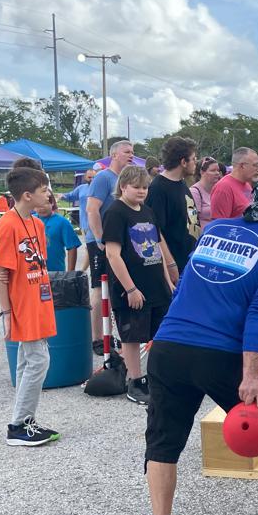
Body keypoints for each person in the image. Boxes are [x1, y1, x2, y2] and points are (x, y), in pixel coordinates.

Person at [129, 176, 258, 515]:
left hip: (171, 347)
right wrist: (252, 374)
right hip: (222, 353)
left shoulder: (216, 229)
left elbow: (189, 283)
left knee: (162, 440)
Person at [0, 165, 59, 447]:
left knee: (27, 361)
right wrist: (7, 313)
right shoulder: (7, 225)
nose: (49, 195)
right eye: (45, 191)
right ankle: (19, 424)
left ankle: (22, 420)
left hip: (39, 300)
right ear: (27, 195)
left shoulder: (37, 224)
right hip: (22, 305)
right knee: (39, 361)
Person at [102, 165, 176, 406]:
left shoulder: (147, 211)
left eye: (145, 187)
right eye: (136, 187)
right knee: (132, 337)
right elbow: (113, 254)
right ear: (123, 186)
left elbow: (156, 246)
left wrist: (167, 281)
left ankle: (156, 378)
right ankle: (136, 380)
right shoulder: (116, 212)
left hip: (156, 285)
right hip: (131, 287)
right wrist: (131, 288)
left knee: (160, 335)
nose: (142, 191)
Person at [86, 140, 134, 354]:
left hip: (118, 241)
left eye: (133, 152)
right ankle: (97, 338)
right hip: (101, 242)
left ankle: (112, 334)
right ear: (114, 155)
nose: (131, 155)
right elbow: (91, 210)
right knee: (99, 288)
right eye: (127, 152)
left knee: (114, 288)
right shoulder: (104, 177)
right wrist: (99, 239)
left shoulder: (123, 179)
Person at [147, 136, 198, 277]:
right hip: (174, 265)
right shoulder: (158, 189)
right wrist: (170, 264)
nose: (196, 163)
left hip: (188, 261)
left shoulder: (181, 183)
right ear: (183, 162)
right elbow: (155, 231)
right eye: (193, 159)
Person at [35, 188, 81, 272]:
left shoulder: (62, 222)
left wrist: (70, 273)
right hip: (34, 272)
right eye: (38, 206)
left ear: (52, 203)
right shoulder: (30, 220)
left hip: (56, 272)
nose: (41, 208)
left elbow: (72, 247)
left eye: (44, 204)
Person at [210, 146, 257, 220]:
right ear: (242, 166)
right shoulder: (223, 188)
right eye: (255, 165)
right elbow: (219, 226)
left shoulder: (247, 185)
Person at [59, 168, 95, 236]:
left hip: (98, 223)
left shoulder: (100, 188)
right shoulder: (81, 188)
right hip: (84, 224)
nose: (92, 179)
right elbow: (70, 196)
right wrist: (61, 196)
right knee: (88, 245)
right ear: (85, 177)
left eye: (94, 177)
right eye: (89, 177)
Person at [190, 157, 221, 228]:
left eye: (218, 170)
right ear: (202, 172)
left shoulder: (218, 190)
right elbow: (192, 221)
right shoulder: (194, 192)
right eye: (213, 170)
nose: (217, 173)